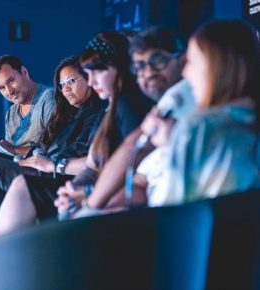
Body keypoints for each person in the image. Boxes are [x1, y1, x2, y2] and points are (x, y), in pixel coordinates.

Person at [0, 31, 153, 236]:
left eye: (98, 71)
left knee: (9, 177)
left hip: (97, 195)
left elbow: (132, 167)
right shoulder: (111, 106)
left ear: (121, 67)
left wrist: (86, 195)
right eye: (88, 73)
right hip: (76, 186)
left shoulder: (126, 103)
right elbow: (96, 163)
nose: (92, 81)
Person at [55, 27, 192, 213]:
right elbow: (136, 180)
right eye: (141, 66)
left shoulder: (177, 98)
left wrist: (90, 200)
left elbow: (132, 158)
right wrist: (86, 194)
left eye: (157, 61)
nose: (148, 72)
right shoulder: (155, 109)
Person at [0, 56, 106, 238]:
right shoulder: (71, 115)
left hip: (56, 175)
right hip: (37, 164)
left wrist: (52, 164)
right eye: (62, 84)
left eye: (71, 81)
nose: (65, 89)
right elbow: (45, 146)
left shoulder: (95, 112)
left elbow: (92, 160)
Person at [136, 20, 260, 206]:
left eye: (191, 62)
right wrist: (173, 142)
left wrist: (178, 142)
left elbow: (165, 209)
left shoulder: (198, 127)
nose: (185, 73)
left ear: (217, 67)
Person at [0, 55, 55, 178]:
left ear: (24, 73)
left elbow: (55, 149)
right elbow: (8, 153)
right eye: (2, 88)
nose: (9, 91)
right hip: (16, 166)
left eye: (11, 81)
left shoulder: (49, 98)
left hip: (39, 169)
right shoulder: (12, 113)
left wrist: (14, 150)